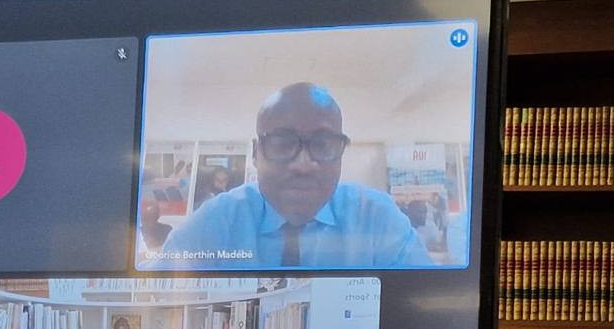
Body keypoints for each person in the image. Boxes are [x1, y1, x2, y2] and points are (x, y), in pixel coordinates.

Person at [149, 83, 433, 269]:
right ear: (256, 153)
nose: (304, 165)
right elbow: (153, 299)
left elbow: (427, 310)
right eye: (283, 143)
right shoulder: (216, 222)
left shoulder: (377, 218)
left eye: (323, 144)